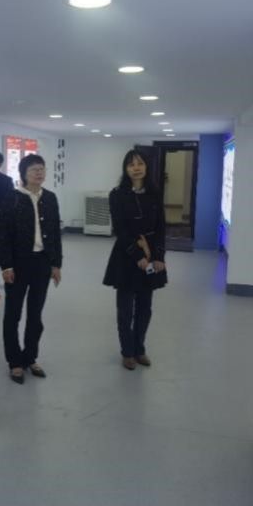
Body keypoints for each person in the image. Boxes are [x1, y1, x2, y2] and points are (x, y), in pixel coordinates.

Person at [0, 154, 63, 383]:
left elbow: (55, 234)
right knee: (13, 315)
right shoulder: (12, 198)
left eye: (42, 169)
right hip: (18, 264)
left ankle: (30, 357)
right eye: (34, 169)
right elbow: (3, 235)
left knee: (36, 315)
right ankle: (14, 361)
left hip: (42, 263)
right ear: (24, 173)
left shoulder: (50, 198)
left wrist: (56, 264)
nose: (39, 173)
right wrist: (6, 265)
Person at [102, 150, 167, 370]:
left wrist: (158, 256)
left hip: (152, 256)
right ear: (125, 169)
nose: (136, 168)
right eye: (131, 165)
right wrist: (137, 255)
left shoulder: (155, 193)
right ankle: (127, 352)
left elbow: (161, 227)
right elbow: (120, 229)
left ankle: (140, 349)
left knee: (145, 308)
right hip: (126, 256)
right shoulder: (117, 194)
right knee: (125, 310)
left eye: (140, 164)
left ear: (146, 167)